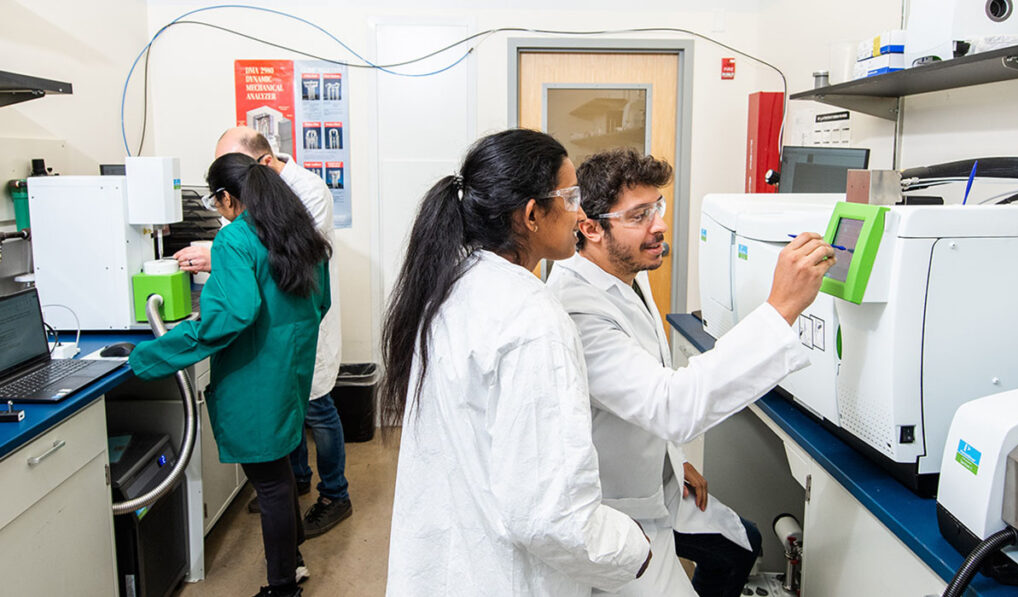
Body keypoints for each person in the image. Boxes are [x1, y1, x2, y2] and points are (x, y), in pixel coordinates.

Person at [546, 148, 835, 597]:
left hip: (660, 479)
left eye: (656, 208)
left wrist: (675, 456)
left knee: (742, 543)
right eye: (639, 215)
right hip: (621, 512)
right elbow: (668, 404)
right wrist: (781, 309)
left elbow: (642, 387)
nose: (659, 225)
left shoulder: (627, 272)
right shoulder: (576, 310)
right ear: (591, 228)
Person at [381, 129, 653, 596]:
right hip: (502, 575)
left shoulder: (455, 284)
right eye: (569, 198)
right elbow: (549, 514)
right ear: (531, 215)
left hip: (451, 560)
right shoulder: (533, 318)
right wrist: (632, 549)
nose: (580, 212)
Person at [130, 152, 332, 597]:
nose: (216, 211)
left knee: (273, 485)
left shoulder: (236, 240)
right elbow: (321, 303)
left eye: (214, 202)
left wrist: (147, 356)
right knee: (280, 473)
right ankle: (292, 561)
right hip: (290, 372)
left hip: (254, 379)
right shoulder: (299, 234)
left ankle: (282, 587)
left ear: (227, 197)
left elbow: (231, 316)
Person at [175, 127, 351, 540]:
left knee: (316, 408)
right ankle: (293, 482)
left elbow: (287, 255)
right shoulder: (255, 204)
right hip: (279, 326)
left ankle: (335, 494)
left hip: (301, 321)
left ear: (263, 164)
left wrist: (220, 256)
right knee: (285, 415)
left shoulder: (308, 191)